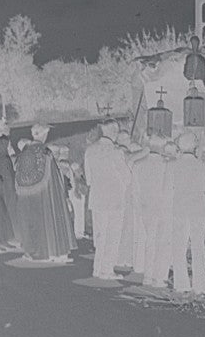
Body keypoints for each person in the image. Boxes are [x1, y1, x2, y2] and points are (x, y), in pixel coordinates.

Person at [13, 123, 75, 263]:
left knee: (31, 221)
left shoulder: (25, 151)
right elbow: (52, 177)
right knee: (46, 219)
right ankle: (50, 251)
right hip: (44, 193)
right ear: (43, 134)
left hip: (25, 193)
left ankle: (32, 251)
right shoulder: (45, 151)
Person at [82, 121, 130, 280]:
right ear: (114, 132)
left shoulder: (90, 150)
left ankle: (97, 268)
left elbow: (88, 179)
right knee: (112, 235)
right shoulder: (116, 152)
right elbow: (127, 177)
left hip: (97, 198)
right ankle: (107, 270)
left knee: (100, 235)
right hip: (114, 199)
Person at [168, 133, 205, 295]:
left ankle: (181, 284)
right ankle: (200, 285)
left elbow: (168, 189)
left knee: (179, 245)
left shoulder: (172, 165)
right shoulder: (203, 166)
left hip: (179, 207)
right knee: (198, 245)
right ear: (195, 147)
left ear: (179, 147)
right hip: (197, 208)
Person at [128, 135, 171, 282]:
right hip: (163, 207)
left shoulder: (138, 165)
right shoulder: (166, 164)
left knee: (149, 240)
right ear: (161, 147)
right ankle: (159, 277)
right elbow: (169, 188)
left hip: (145, 207)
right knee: (162, 242)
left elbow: (135, 190)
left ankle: (147, 275)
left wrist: (139, 206)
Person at [0, 129, 20, 248]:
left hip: (8, 187)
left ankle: (11, 235)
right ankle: (9, 235)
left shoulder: (0, 158)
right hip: (7, 188)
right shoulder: (4, 159)